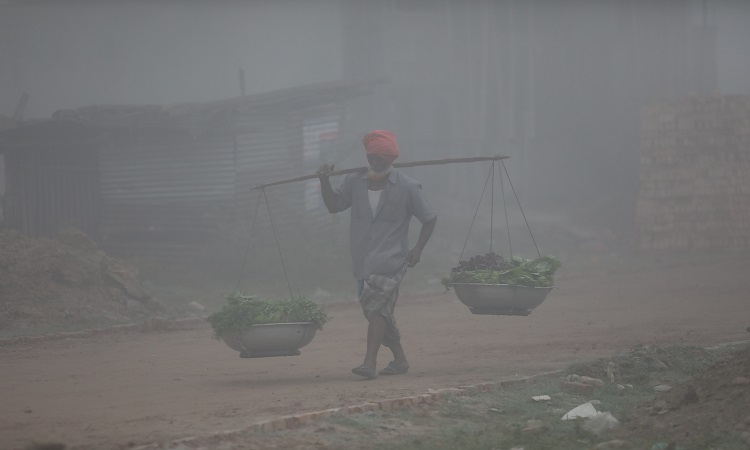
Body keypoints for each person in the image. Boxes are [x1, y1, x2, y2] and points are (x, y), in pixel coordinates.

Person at [317, 130, 437, 379]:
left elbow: (430, 218)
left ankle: (369, 363)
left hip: (392, 260)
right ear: (368, 157)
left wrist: (417, 250)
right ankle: (400, 359)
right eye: (372, 158)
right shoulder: (354, 181)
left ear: (391, 160)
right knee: (376, 311)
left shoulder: (408, 186)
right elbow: (334, 206)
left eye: (381, 160)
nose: (376, 163)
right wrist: (324, 181)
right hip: (363, 259)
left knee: (378, 308)